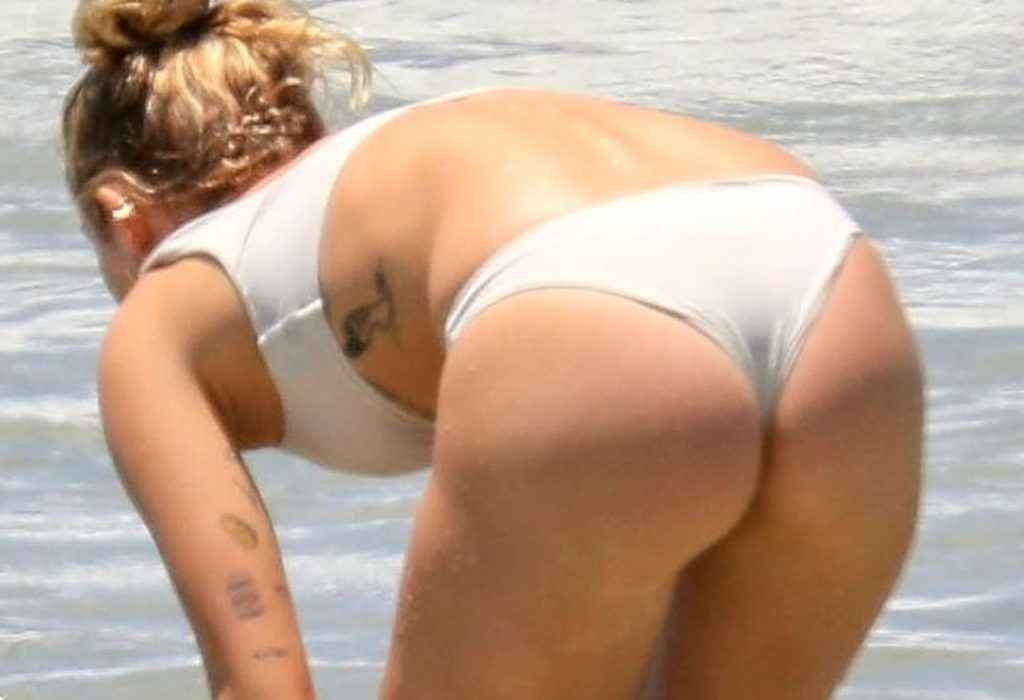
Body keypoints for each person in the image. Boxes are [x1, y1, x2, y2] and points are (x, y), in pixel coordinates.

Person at [62, 1, 924, 698]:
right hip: (827, 277)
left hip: (580, 299)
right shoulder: (380, 169)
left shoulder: (160, 315)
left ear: (120, 217)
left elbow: (262, 687)